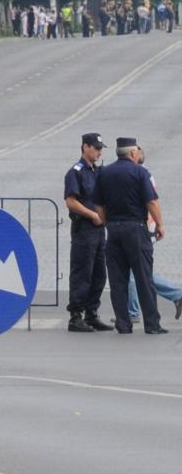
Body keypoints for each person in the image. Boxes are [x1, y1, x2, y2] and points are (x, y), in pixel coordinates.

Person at [95, 137, 168, 335]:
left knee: (118, 281)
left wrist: (108, 222)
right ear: (133, 153)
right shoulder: (140, 172)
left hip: (114, 230)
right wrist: (160, 224)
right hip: (135, 229)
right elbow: (151, 202)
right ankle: (152, 325)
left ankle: (123, 324)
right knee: (144, 278)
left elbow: (99, 205)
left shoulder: (104, 173)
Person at [63, 133, 113, 332]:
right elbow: (71, 201)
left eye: (101, 148)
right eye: (96, 148)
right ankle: (76, 316)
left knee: (99, 274)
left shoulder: (97, 172)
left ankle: (92, 313)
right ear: (85, 147)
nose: (99, 152)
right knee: (82, 273)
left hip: (100, 230)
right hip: (84, 229)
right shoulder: (76, 172)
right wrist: (92, 215)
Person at [126, 146, 182, 323]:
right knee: (140, 271)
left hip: (142, 229)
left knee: (134, 272)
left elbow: (151, 202)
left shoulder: (139, 174)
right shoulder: (142, 173)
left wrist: (159, 224)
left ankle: (133, 312)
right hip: (144, 227)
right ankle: (177, 294)